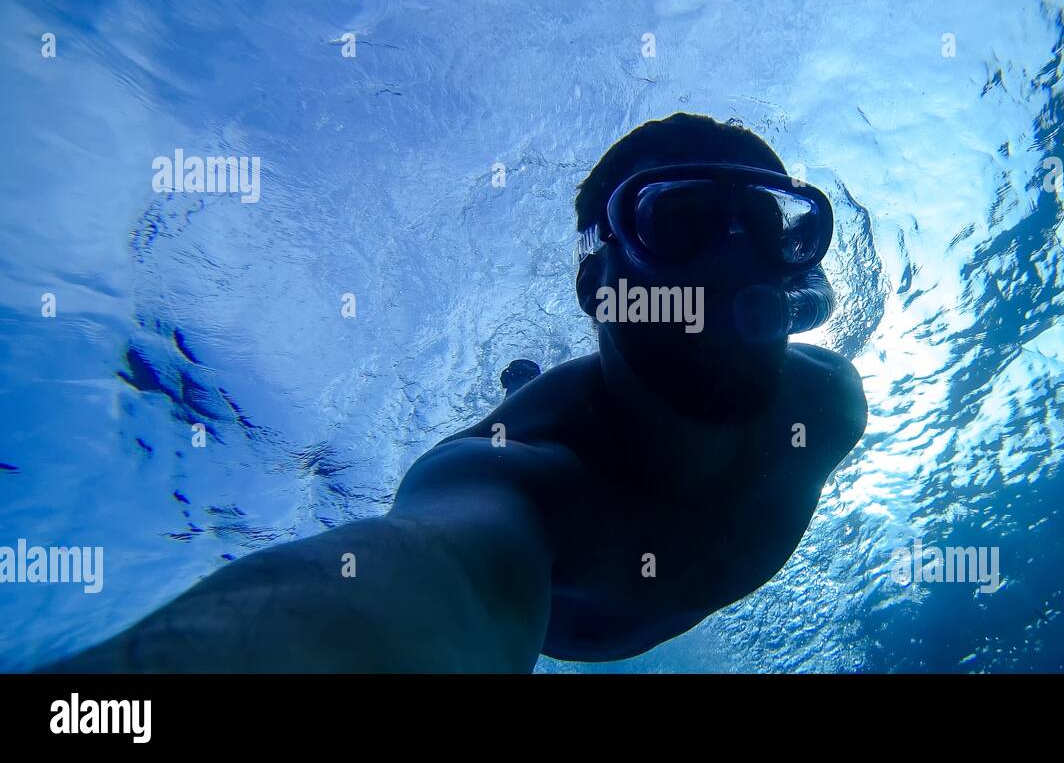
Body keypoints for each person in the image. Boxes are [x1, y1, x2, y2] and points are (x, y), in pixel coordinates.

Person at [42, 112, 866, 672]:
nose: (730, 263)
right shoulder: (514, 480)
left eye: (772, 225)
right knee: (532, 393)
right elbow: (411, 581)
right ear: (596, 283)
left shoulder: (829, 405)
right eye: (675, 221)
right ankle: (524, 382)